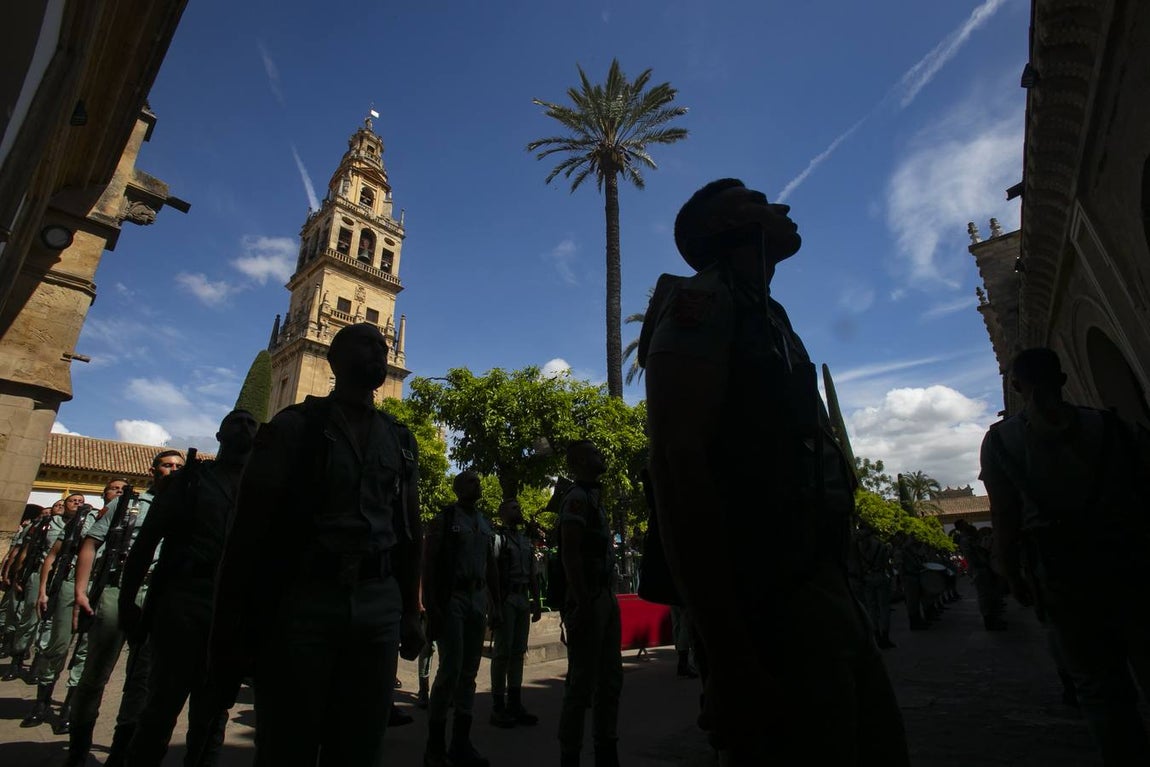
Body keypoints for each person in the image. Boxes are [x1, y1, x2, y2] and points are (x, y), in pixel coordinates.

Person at [643, 179, 908, 765]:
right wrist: (728, 654)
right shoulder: (702, 303)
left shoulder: (765, 312)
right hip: (768, 600)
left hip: (817, 579)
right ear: (724, 227)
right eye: (757, 201)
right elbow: (677, 467)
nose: (780, 207)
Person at [210, 322, 423, 767]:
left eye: (383, 346)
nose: (380, 351)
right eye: (366, 344)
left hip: (377, 605)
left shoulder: (400, 439)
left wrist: (409, 610)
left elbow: (409, 531)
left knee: (361, 745)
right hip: (303, 601)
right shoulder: (292, 428)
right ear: (335, 360)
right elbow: (248, 532)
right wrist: (229, 632)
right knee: (288, 742)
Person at [980, 347, 1150, 764]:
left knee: (1098, 688)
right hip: (1129, 562)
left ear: (1016, 386)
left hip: (1061, 573)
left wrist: (1011, 572)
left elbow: (1004, 514)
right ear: (1063, 379)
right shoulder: (1112, 426)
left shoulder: (1001, 440)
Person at [114, 410, 258, 766]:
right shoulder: (191, 480)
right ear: (219, 435)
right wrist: (127, 601)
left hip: (231, 610)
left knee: (213, 715)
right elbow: (147, 542)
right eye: (236, 421)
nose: (243, 426)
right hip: (183, 601)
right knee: (160, 707)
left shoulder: (261, 488)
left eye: (250, 423)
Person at [64, 450, 185, 766]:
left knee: (141, 680)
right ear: (153, 470)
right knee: (95, 673)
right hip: (117, 590)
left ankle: (120, 752)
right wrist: (81, 591)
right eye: (167, 465)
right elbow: (91, 543)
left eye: (178, 466)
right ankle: (78, 747)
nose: (173, 470)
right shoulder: (127, 504)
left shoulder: (186, 506)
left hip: (155, 595)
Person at [422, 470, 500, 767]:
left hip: (477, 598)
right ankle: (435, 746)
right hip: (452, 598)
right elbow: (429, 563)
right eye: (470, 481)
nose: (476, 484)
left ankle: (461, 743)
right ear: (457, 488)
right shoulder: (445, 519)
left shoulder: (484, 522)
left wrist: (496, 603)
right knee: (450, 670)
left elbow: (490, 565)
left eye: (478, 481)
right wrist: (432, 606)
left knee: (469, 672)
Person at [556, 439, 622, 767]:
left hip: (605, 596)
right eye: (594, 452)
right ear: (581, 461)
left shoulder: (595, 498)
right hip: (589, 598)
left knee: (610, 679)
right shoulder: (577, 499)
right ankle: (570, 754)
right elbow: (570, 552)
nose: (601, 454)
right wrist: (582, 602)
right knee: (581, 682)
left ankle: (605, 748)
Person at [21, 493, 94, 729]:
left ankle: (69, 707)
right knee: (57, 646)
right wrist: (43, 590)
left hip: (99, 589)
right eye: (114, 489)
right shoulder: (80, 522)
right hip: (68, 586)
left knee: (85, 651)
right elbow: (51, 555)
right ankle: (41, 702)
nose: (119, 493)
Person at [489, 498, 542, 728]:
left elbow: (533, 574)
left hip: (522, 598)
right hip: (507, 598)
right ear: (502, 513)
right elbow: (492, 572)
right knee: (502, 652)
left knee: (519, 652)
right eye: (513, 508)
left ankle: (515, 702)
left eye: (519, 507)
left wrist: (536, 601)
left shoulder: (525, 540)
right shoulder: (498, 539)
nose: (518, 510)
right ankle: (498, 706)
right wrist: (494, 606)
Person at [953, 519, 1005, 631]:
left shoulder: (969, 538)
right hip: (979, 569)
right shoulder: (966, 540)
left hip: (982, 568)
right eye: (964, 524)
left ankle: (994, 618)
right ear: (960, 527)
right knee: (985, 595)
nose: (968, 525)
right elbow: (975, 555)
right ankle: (989, 621)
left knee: (990, 594)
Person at [856, 524, 896, 649]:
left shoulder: (859, 546)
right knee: (884, 608)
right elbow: (886, 564)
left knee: (871, 609)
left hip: (867, 578)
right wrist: (891, 577)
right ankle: (885, 636)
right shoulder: (880, 545)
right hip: (880, 576)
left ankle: (876, 635)